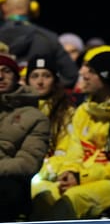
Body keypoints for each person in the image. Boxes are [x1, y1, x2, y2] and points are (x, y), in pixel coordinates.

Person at [30, 47, 110, 219]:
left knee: (73, 200)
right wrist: (69, 172)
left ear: (106, 78)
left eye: (91, 72)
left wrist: (81, 177)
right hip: (85, 178)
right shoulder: (84, 110)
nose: (84, 75)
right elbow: (74, 152)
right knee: (43, 194)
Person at [0, 50, 50, 221]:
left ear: (17, 78)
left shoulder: (34, 117)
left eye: (6, 71)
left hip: (9, 186)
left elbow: (28, 163)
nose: (0, 77)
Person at [0, 0, 79, 87]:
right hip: (38, 100)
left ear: (3, 7)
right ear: (32, 8)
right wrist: (48, 88)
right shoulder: (49, 38)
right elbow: (71, 75)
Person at [24, 49, 76, 184]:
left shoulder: (66, 111)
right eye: (34, 76)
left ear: (55, 80)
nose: (40, 81)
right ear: (27, 81)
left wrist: (45, 171)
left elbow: (65, 151)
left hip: (50, 172)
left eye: (46, 76)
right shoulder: (18, 109)